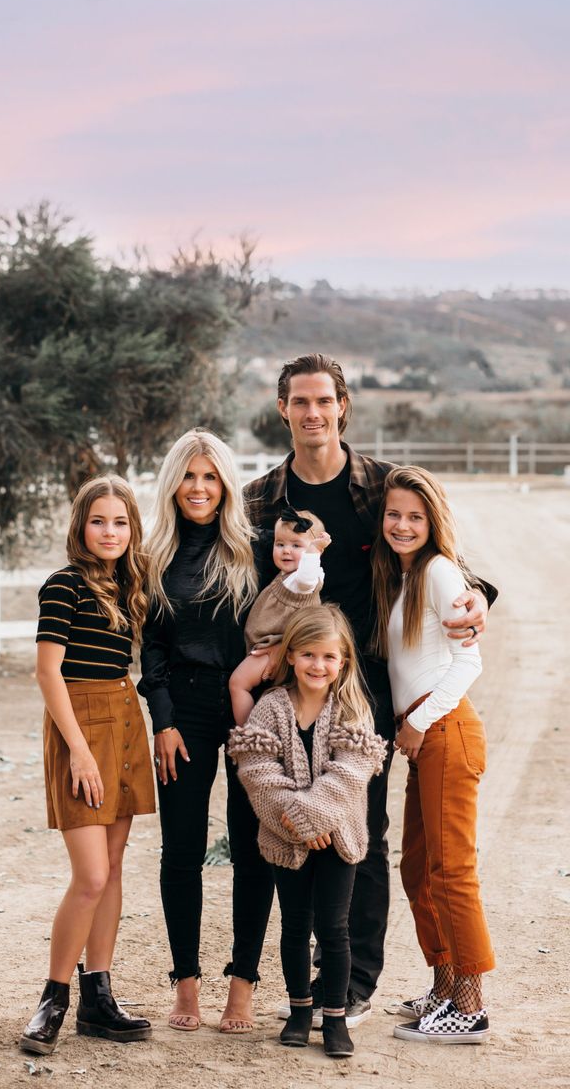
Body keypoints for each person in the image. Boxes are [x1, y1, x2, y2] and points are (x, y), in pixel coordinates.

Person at [244, 353, 493, 1028]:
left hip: (368, 690)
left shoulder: (379, 486)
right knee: (292, 824)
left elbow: (439, 555)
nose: (313, 413)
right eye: (300, 402)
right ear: (284, 410)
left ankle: (353, 982)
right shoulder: (262, 498)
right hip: (292, 689)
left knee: (363, 833)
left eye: (324, 400)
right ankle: (303, 979)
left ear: (343, 405)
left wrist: (478, 598)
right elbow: (240, 588)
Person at [138, 428, 273, 1034]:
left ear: (226, 483)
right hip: (184, 711)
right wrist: (161, 720)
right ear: (173, 484)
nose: (199, 488)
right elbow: (153, 647)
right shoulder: (156, 556)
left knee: (252, 847)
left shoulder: (257, 548)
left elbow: (292, 616)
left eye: (211, 476)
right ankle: (185, 984)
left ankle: (242, 986)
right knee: (182, 850)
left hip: (249, 707)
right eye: (189, 476)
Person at [20, 476, 156, 1056]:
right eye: (99, 521)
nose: (110, 532)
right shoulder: (63, 586)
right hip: (81, 726)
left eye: (121, 522)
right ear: (81, 527)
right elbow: (48, 673)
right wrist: (76, 748)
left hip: (125, 718)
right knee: (91, 876)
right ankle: (53, 998)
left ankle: (99, 997)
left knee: (116, 866)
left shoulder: (130, 586)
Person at [228, 606, 387, 1058]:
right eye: (309, 655)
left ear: (344, 663)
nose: (318, 666)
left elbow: (350, 773)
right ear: (291, 657)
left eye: (328, 657)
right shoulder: (270, 708)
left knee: (334, 929)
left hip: (339, 838)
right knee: (295, 927)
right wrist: (299, 825)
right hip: (284, 838)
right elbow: (257, 771)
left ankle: (334, 1017)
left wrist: (314, 818)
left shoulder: (352, 708)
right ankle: (300, 1012)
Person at [371, 466, 494, 1043]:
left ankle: (470, 1005)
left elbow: (468, 660)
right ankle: (444, 987)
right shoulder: (405, 576)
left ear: (432, 521)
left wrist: (416, 723)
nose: (402, 524)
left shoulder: (441, 571)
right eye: (394, 514)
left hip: (444, 729)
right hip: (426, 734)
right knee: (418, 867)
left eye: (415, 517)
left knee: (451, 871)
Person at [229, 506, 329, 726]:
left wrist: (313, 550)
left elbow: (307, 576)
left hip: (275, 646)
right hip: (269, 644)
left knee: (238, 683)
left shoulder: (303, 581)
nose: (286, 551)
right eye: (280, 544)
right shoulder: (288, 576)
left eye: (296, 545)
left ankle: (248, 732)